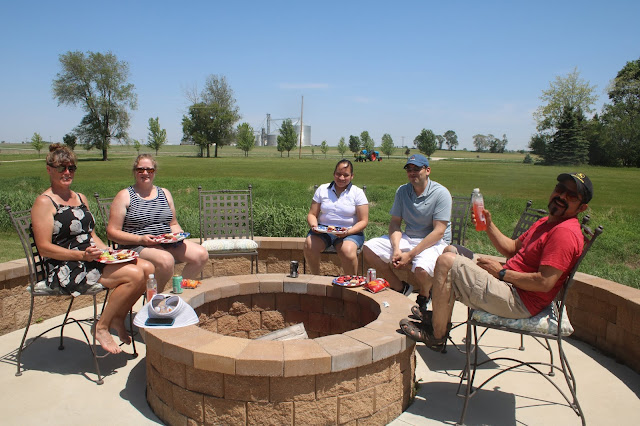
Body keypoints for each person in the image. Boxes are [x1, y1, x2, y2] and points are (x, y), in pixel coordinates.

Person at [401, 173, 593, 352]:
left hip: (519, 300)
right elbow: (512, 248)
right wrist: (489, 225)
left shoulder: (564, 233)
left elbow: (544, 283)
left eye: (571, 196)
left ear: (582, 207)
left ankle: (437, 335)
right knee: (450, 250)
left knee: (446, 262)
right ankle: (439, 317)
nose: (562, 196)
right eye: (560, 189)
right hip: (510, 286)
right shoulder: (546, 222)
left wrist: (502, 273)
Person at [31, 144, 154, 354]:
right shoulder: (44, 202)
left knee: (148, 268)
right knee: (134, 275)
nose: (67, 172)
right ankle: (102, 326)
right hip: (67, 265)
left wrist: (110, 252)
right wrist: (81, 255)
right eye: (61, 168)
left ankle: (117, 317)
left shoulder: (80, 197)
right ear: (49, 169)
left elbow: (91, 235)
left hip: (90, 258)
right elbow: (44, 248)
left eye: (71, 168)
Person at [107, 154, 208, 287]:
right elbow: (112, 232)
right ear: (135, 172)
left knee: (201, 254)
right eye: (140, 170)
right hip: (136, 245)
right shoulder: (125, 195)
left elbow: (173, 223)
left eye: (149, 170)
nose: (145, 173)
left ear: (154, 172)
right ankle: (156, 296)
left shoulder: (164, 193)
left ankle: (179, 290)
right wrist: (140, 239)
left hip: (165, 243)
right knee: (166, 260)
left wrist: (178, 235)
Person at [363, 154, 452, 300]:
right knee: (369, 248)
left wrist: (410, 255)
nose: (412, 173)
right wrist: (396, 249)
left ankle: (425, 295)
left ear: (427, 170)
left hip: (434, 242)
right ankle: (400, 287)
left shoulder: (441, 193)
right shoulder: (403, 191)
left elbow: (439, 232)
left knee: (422, 270)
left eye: (416, 169)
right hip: (409, 237)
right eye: (409, 169)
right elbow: (395, 223)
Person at [304, 159, 369, 275]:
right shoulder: (322, 189)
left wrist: (348, 232)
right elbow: (312, 214)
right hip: (324, 231)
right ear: (334, 174)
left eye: (346, 175)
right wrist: (314, 226)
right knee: (309, 245)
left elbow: (363, 221)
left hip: (350, 232)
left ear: (352, 176)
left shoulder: (357, 193)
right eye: (338, 174)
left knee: (347, 251)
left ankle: (350, 281)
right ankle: (315, 278)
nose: (341, 178)